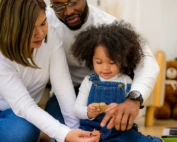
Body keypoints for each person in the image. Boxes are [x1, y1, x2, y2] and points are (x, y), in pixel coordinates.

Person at [45, 0, 159, 133]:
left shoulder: (108, 24)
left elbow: (148, 63)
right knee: (55, 132)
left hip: (109, 88)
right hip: (66, 92)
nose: (68, 11)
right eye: (59, 6)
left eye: (73, 2)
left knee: (112, 133)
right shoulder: (43, 23)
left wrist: (134, 98)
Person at [0, 0, 100, 142]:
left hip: (21, 115)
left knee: (32, 125)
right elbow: (24, 106)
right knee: (22, 131)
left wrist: (74, 130)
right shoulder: (2, 56)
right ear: (14, 29)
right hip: (11, 114)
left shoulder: (50, 36)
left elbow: (63, 87)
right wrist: (65, 135)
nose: (40, 33)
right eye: (30, 29)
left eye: (43, 23)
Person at [71, 21, 163, 142]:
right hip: (91, 130)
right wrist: (88, 112)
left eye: (112, 62)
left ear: (123, 60)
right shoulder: (89, 81)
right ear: (90, 59)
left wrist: (122, 112)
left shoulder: (126, 81)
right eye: (99, 62)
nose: (105, 68)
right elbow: (77, 109)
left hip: (121, 132)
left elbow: (138, 113)